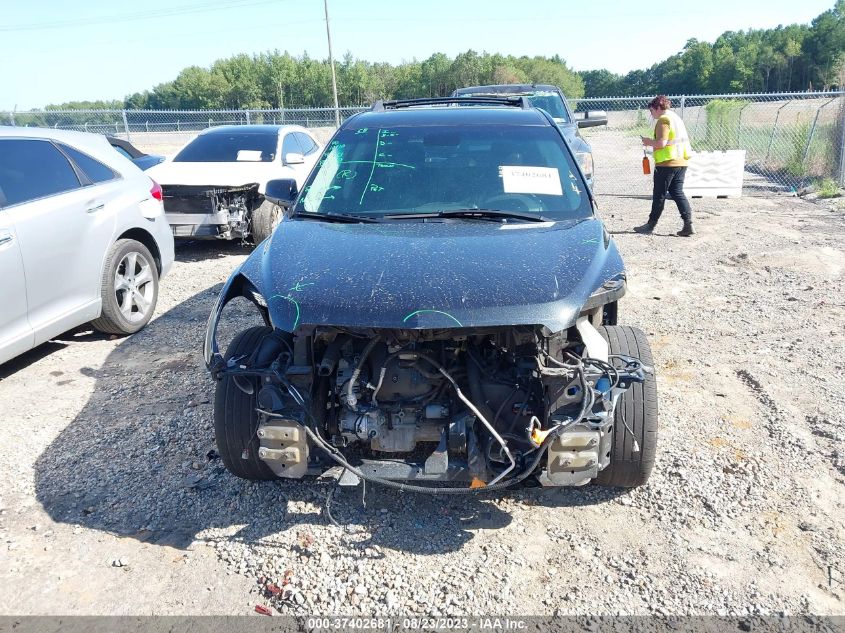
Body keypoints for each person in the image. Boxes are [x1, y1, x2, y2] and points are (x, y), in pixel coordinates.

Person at [635, 95, 695, 237]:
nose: (651, 114)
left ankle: (651, 225)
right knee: (677, 193)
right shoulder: (675, 118)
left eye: (651, 111)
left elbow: (661, 143)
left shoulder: (664, 120)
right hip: (681, 161)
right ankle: (688, 224)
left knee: (659, 195)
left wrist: (648, 141)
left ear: (657, 108)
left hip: (667, 163)